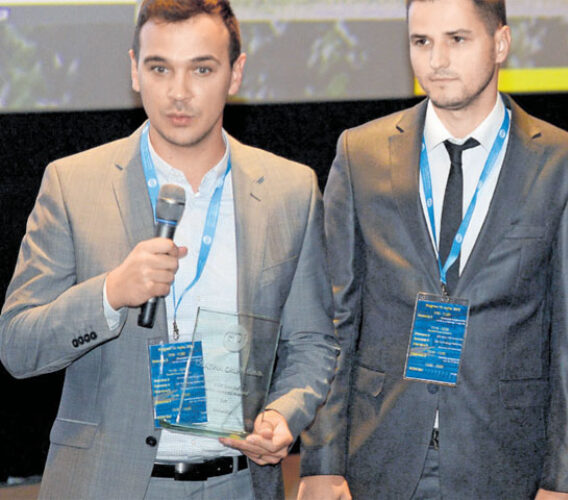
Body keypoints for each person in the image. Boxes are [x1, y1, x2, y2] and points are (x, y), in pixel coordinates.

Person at [0, 0, 338, 498]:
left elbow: (312, 342)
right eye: (160, 68)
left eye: (201, 69)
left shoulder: (291, 190)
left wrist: (284, 414)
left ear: (235, 73)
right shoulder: (72, 184)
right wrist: (110, 293)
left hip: (237, 483)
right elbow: (17, 345)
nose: (179, 92)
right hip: (107, 485)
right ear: (134, 70)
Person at [298, 0, 568, 498]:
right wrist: (321, 462)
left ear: (500, 43)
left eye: (457, 40)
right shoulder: (361, 154)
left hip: (506, 462)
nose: (436, 60)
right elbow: (335, 319)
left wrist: (565, 480)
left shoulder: (566, 165)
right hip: (379, 455)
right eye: (421, 42)